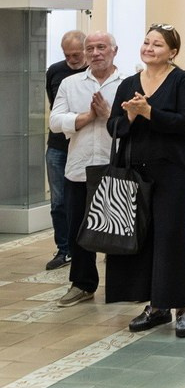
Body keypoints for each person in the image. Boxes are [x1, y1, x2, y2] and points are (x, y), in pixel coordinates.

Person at [105, 24, 185, 337]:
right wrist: (131, 116)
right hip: (135, 171)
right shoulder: (130, 82)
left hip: (172, 170)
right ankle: (156, 307)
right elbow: (113, 127)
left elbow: (183, 122)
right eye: (146, 42)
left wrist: (148, 112)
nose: (149, 48)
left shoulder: (182, 80)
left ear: (172, 52)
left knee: (171, 236)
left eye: (157, 44)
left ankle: (181, 305)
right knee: (143, 239)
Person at [49, 32, 123, 307]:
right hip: (79, 168)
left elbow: (134, 123)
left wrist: (107, 115)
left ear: (114, 50)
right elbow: (55, 121)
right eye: (90, 48)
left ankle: (122, 286)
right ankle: (82, 284)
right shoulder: (71, 84)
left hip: (114, 165)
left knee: (117, 230)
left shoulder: (128, 83)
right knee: (78, 229)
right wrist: (86, 117)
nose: (95, 53)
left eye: (101, 47)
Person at [44, 30, 87, 271]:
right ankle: (64, 249)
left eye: (76, 54)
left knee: (90, 200)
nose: (72, 59)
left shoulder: (94, 71)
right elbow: (56, 108)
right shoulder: (56, 71)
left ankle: (97, 244)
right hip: (59, 145)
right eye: (67, 55)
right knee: (59, 202)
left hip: (85, 144)